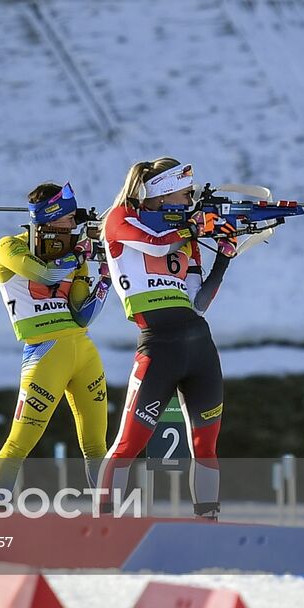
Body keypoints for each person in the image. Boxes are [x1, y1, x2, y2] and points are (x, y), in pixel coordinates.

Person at [98, 158, 234, 519]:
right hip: (158, 344)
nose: (191, 199)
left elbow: (198, 302)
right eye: (186, 192)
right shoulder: (119, 217)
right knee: (129, 443)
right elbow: (155, 244)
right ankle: (104, 525)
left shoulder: (185, 233)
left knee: (206, 445)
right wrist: (194, 227)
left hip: (199, 345)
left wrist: (223, 256)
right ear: (162, 191)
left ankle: (208, 522)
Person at [0, 182, 111, 493]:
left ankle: (109, 517)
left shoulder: (74, 252)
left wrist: (105, 277)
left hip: (83, 350)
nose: (74, 225)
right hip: (44, 353)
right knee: (19, 443)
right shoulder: (9, 246)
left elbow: (83, 314)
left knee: (98, 446)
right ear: (49, 220)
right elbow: (44, 274)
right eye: (68, 219)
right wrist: (77, 255)